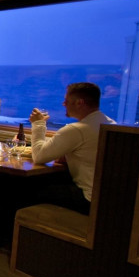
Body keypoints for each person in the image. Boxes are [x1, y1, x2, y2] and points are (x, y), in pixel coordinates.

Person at [29, 82, 116, 214]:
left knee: (25, 188)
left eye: (66, 101)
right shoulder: (109, 123)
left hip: (88, 200)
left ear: (79, 103)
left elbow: (39, 156)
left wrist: (38, 123)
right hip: (107, 198)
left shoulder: (77, 129)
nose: (64, 104)